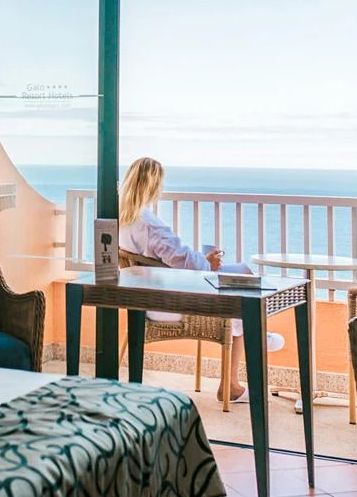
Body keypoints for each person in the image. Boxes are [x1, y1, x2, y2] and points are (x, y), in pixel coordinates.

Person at [118, 156, 284, 404]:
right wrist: (208, 262)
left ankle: (253, 336)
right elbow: (186, 262)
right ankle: (247, 349)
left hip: (144, 300)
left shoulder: (121, 220)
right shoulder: (149, 224)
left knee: (239, 271)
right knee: (242, 281)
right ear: (153, 186)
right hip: (171, 306)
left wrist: (205, 263)